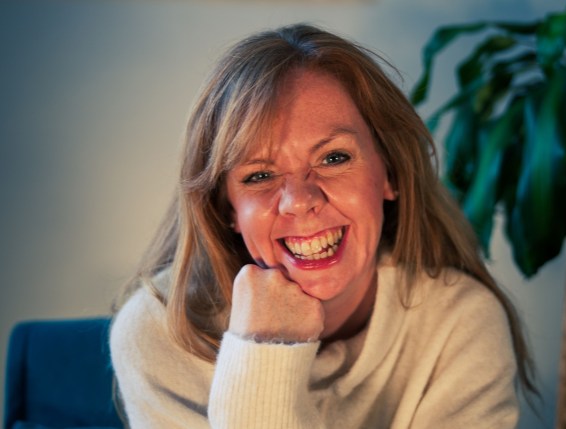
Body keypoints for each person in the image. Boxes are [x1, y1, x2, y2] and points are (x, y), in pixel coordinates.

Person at [110, 23, 537, 428]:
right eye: (259, 175)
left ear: (390, 173)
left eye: (334, 158)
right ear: (227, 209)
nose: (300, 200)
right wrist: (265, 349)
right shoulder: (157, 330)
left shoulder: (461, 323)